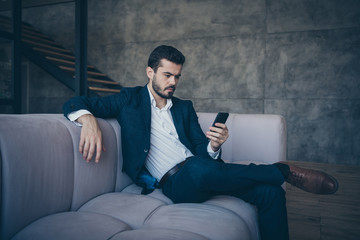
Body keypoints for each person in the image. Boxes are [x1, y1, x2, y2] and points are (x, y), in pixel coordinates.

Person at [63, 45, 338, 240]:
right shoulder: (129, 99)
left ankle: (277, 177)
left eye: (177, 76)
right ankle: (282, 171)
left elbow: (199, 148)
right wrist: (88, 120)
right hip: (177, 182)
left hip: (204, 171)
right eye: (167, 75)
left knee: (271, 194)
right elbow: (78, 102)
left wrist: (214, 146)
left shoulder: (184, 108)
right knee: (196, 168)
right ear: (150, 72)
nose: (173, 82)